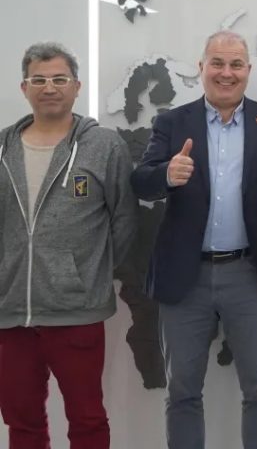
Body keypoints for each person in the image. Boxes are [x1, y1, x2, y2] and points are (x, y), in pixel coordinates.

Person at [131, 30, 257, 449]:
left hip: (251, 274)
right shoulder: (173, 123)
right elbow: (141, 181)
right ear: (201, 67)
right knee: (182, 391)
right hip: (185, 277)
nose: (227, 73)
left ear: (248, 70)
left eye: (236, 64)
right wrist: (166, 175)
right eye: (218, 63)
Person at [0, 42, 137, 449]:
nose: (49, 87)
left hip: (77, 312)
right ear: (24, 88)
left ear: (77, 86)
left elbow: (124, 220)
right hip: (10, 313)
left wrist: (86, 274)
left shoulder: (104, 146)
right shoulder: (3, 147)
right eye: (39, 79)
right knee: (21, 422)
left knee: (87, 418)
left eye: (59, 79)